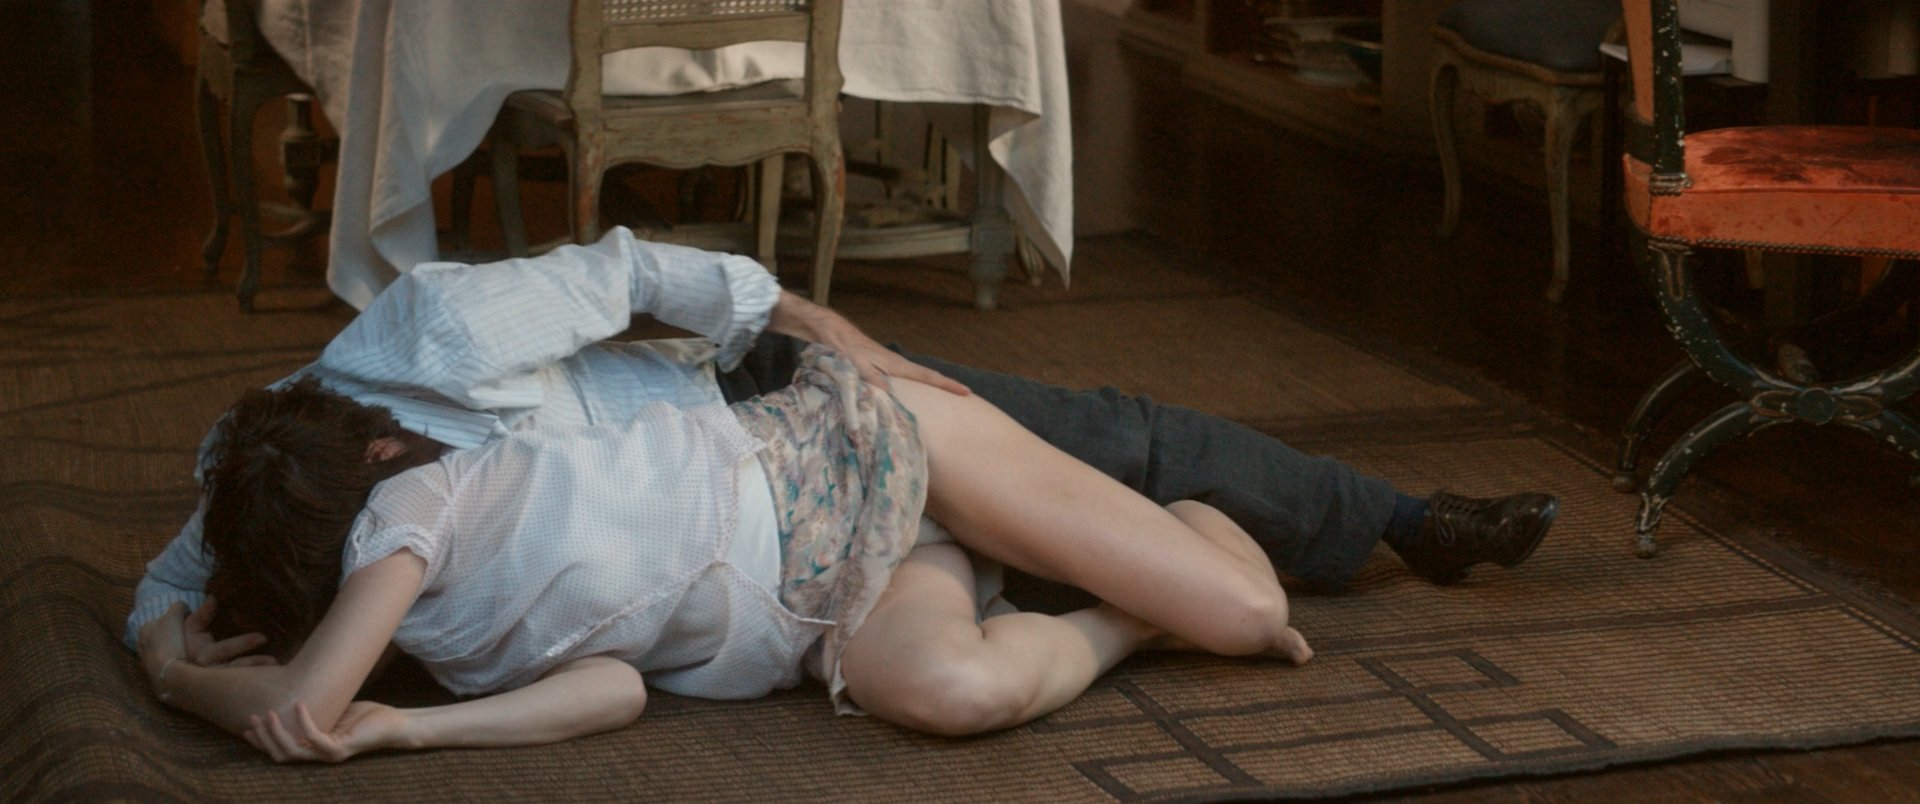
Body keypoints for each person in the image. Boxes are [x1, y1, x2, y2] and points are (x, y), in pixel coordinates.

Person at [127, 228, 1558, 760]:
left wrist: (845, 339)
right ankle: (1084, 583)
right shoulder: (284, 473)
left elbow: (644, 275)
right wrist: (161, 646)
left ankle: (1389, 520)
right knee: (969, 663)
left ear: (391, 454)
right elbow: (174, 585)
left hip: (770, 395)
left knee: (1106, 437)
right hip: (789, 569)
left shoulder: (431, 342)